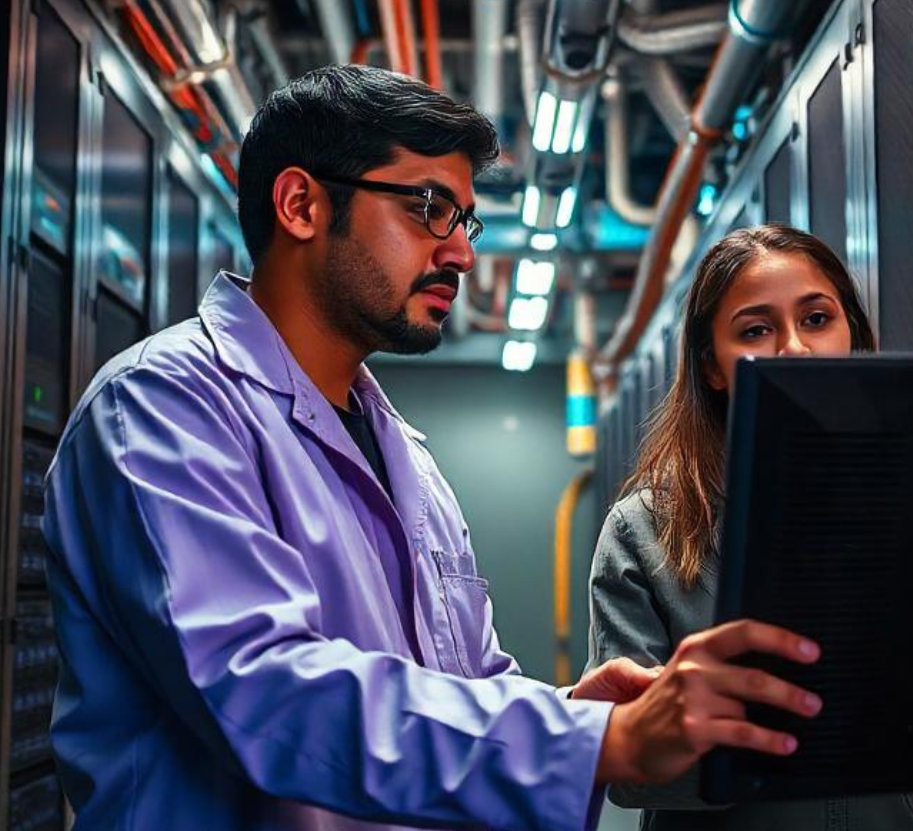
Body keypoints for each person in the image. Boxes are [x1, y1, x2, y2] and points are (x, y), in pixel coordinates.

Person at [43, 66, 826, 831]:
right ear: (300, 204)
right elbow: (263, 695)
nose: (461, 253)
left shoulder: (403, 454)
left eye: (464, 220)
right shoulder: (163, 406)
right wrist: (596, 742)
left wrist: (571, 715)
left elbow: (461, 681)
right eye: (428, 209)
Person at [587, 223, 913, 830]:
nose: (794, 348)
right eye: (756, 330)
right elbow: (630, 772)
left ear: (853, 333)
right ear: (712, 367)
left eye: (817, 319)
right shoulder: (646, 530)